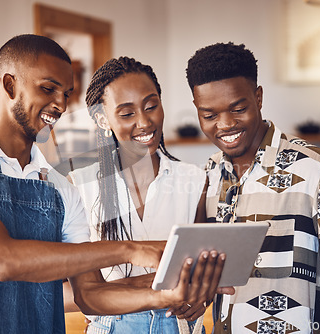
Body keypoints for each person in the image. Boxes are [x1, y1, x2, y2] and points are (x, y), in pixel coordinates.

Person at [0, 34, 225, 334]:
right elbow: (2, 260)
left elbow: (89, 293)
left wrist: (164, 295)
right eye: (48, 89)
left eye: (66, 93)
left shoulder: (61, 188)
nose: (60, 105)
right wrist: (130, 250)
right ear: (9, 85)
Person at [185, 42, 320, 334]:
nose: (225, 124)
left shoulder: (315, 167)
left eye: (238, 109)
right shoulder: (210, 173)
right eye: (209, 115)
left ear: (259, 97)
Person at [66, 56, 224, 334]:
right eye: (127, 113)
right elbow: (79, 293)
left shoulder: (195, 180)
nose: (144, 121)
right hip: (112, 326)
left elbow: (203, 269)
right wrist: (160, 284)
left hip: (179, 324)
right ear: (103, 119)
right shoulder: (79, 186)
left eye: (151, 106)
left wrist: (202, 297)